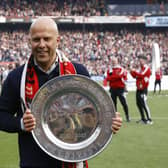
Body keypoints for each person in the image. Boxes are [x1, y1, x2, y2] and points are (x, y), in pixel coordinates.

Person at [0, 17, 122, 168]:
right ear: (29, 41)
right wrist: (20, 124)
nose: (41, 45)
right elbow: (1, 115)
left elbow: (93, 111)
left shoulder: (78, 72)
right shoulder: (16, 77)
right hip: (33, 163)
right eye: (36, 39)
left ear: (57, 41)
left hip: (72, 161)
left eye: (47, 39)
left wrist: (110, 121)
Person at [106, 57, 130, 122]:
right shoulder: (109, 70)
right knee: (113, 104)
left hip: (120, 89)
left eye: (114, 61)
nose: (113, 62)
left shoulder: (121, 69)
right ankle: (115, 118)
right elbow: (108, 78)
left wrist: (113, 77)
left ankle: (127, 116)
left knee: (124, 103)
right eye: (112, 61)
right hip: (112, 89)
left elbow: (123, 77)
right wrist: (117, 77)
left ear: (117, 61)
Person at [130, 55, 153, 125]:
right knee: (138, 103)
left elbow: (141, 75)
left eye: (141, 60)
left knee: (144, 104)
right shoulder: (140, 68)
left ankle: (149, 119)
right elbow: (135, 76)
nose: (140, 61)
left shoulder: (146, 68)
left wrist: (134, 72)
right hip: (139, 88)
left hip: (143, 89)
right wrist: (131, 71)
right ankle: (143, 119)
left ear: (145, 61)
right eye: (139, 60)